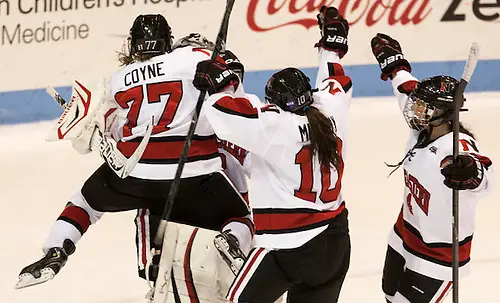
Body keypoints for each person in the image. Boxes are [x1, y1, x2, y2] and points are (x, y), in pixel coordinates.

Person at [16, 15, 253, 289]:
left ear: (133, 43)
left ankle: (58, 249)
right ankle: (233, 238)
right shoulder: (194, 57)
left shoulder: (118, 80)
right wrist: (225, 72)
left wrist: (95, 135)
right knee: (240, 216)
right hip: (195, 168)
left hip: (136, 170)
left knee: (85, 202)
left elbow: (111, 130)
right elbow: (234, 98)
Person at [192, 6, 352, 303]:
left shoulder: (276, 125)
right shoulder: (331, 111)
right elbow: (335, 81)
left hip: (288, 246)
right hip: (335, 241)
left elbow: (225, 114)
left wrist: (221, 84)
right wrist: (332, 49)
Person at [370, 33, 494, 303]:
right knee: (389, 296)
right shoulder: (424, 127)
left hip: (437, 256)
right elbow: (407, 88)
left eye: (422, 106)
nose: (414, 108)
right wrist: (396, 66)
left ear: (442, 112)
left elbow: (484, 176)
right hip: (403, 233)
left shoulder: (456, 145)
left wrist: (471, 173)